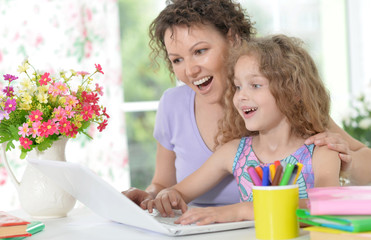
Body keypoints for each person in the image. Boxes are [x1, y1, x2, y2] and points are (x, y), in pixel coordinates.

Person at [122, 0, 371, 208]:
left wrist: (345, 161)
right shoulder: (173, 105)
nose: (189, 69)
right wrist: (151, 196)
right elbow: (164, 184)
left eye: (200, 51)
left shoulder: (280, 101)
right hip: (196, 228)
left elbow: (344, 186)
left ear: (232, 38)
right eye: (176, 60)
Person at [148, 35, 341, 225]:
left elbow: (325, 207)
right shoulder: (235, 152)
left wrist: (241, 210)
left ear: (294, 92)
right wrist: (167, 195)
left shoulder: (320, 152)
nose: (240, 96)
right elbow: (179, 191)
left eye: (255, 85)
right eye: (238, 87)